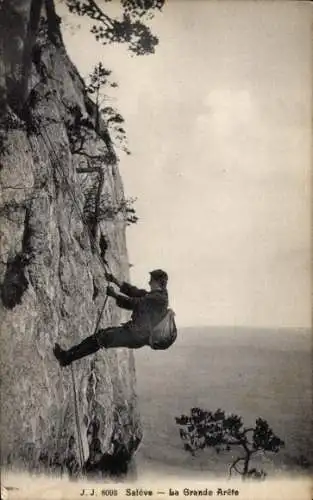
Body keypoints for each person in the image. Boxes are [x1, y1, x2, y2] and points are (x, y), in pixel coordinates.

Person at [53, 269, 169, 367]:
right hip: (135, 334)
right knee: (100, 337)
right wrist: (115, 280)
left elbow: (135, 303)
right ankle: (66, 356)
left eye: (151, 280)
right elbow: (135, 292)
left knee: (101, 338)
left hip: (136, 335)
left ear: (158, 282)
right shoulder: (156, 295)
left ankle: (66, 358)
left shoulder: (159, 299)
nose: (149, 282)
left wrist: (114, 295)